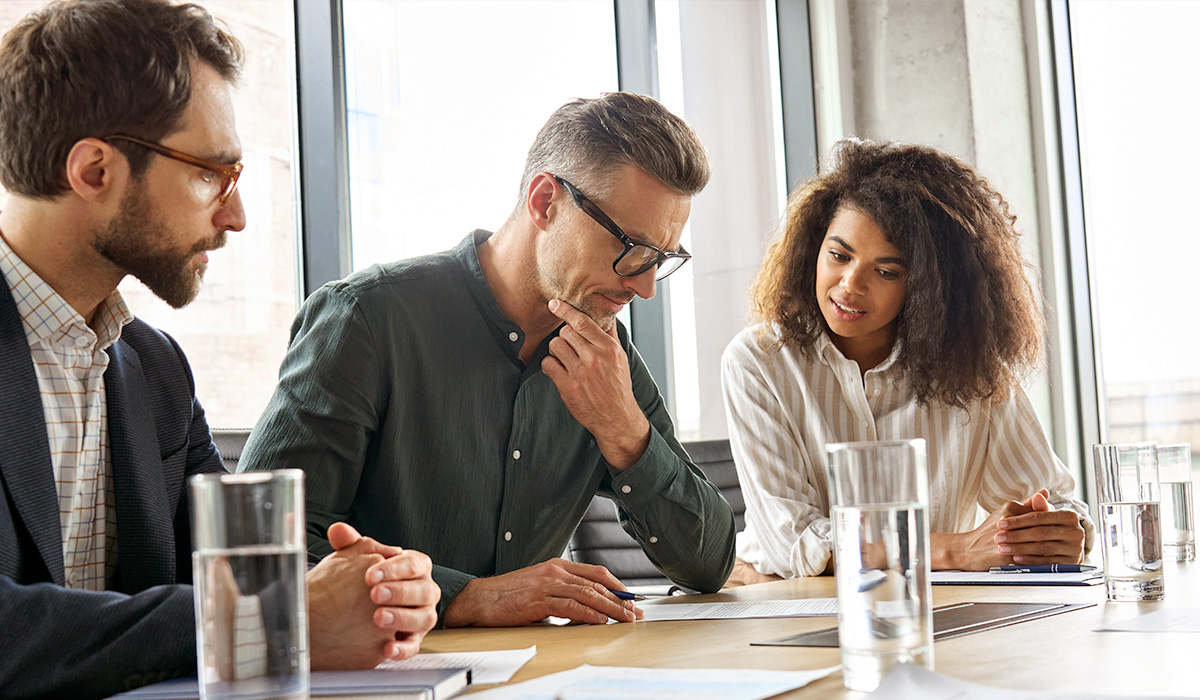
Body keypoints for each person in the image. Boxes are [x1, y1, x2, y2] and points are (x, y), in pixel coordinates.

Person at [0, 2, 437, 698]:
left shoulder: (157, 370)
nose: (235, 216)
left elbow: (233, 572)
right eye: (212, 173)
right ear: (93, 170)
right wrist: (274, 618)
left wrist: (376, 591)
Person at [241, 92, 736, 626]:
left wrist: (624, 431)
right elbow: (258, 544)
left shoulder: (606, 355)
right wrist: (468, 596)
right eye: (632, 249)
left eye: (660, 260)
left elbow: (708, 566)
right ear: (546, 201)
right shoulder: (368, 319)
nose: (644, 289)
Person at [721, 138, 1094, 583]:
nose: (849, 285)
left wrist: (1053, 532)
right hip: (780, 600)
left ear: (928, 288)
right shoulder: (758, 362)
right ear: (813, 249)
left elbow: (1059, 502)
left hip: (935, 607)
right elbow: (796, 545)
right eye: (838, 255)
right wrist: (955, 550)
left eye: (886, 272)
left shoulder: (973, 371)